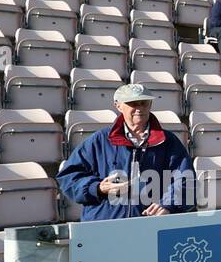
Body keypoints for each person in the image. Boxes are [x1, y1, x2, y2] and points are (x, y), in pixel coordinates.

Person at [57, 83, 195, 220]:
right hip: (104, 224)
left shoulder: (168, 141)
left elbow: (185, 177)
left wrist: (168, 204)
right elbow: (69, 177)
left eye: (144, 103)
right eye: (133, 103)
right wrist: (98, 188)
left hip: (150, 223)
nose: (139, 108)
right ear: (118, 105)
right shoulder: (99, 140)